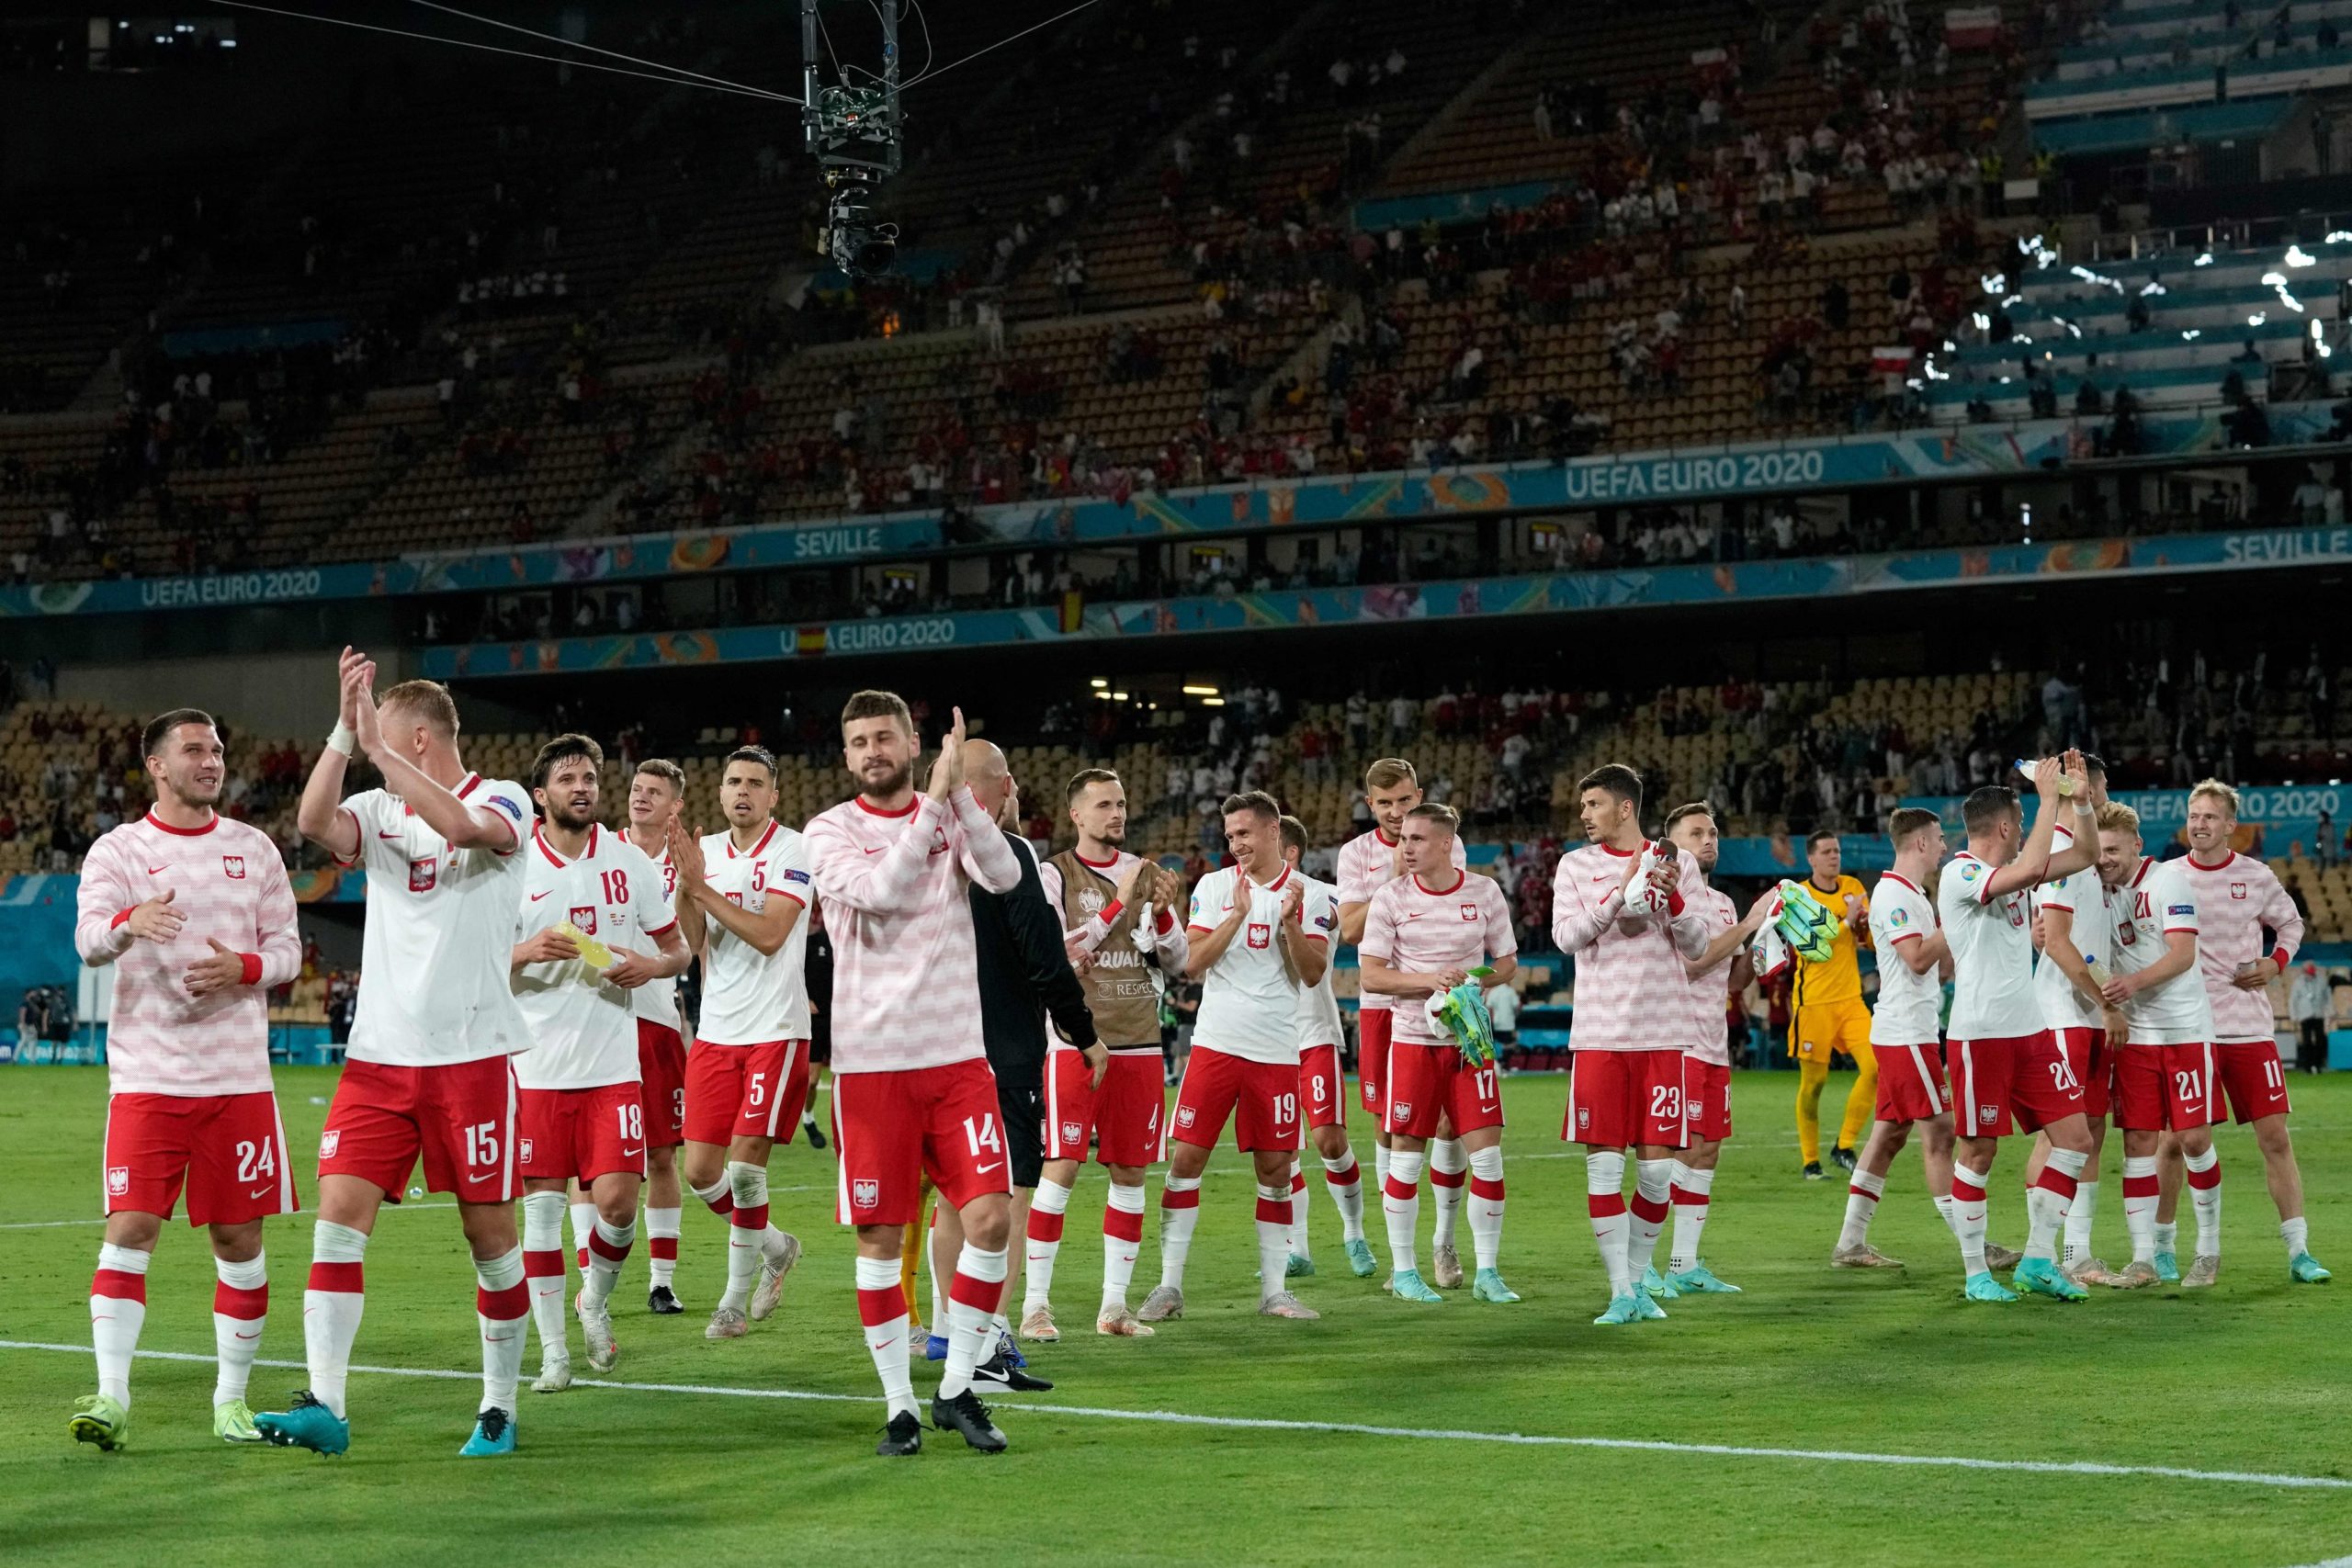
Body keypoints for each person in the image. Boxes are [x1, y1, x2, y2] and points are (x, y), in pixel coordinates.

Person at [266, 655, 537, 1457]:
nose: (370, 747)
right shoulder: (381, 810)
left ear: (418, 737)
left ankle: (497, 1405)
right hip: (380, 1057)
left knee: (489, 1236)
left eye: (382, 732)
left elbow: (460, 830)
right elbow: (314, 822)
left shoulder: (504, 798)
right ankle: (326, 1403)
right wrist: (343, 734)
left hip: (473, 1058)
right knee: (336, 1226)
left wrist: (378, 754)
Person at [69, 708, 302, 1451]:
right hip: (149, 1079)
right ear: (157, 766)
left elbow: (290, 952)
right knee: (130, 1227)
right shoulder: (120, 849)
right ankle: (111, 1396)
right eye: (194, 750)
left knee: (239, 1240)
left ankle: (231, 1401)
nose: (212, 760)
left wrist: (245, 968)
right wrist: (128, 921)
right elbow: (87, 938)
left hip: (237, 1082)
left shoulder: (254, 848)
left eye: (219, 749)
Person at [804, 692, 1023, 1457]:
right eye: (859, 739)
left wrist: (958, 790)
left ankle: (958, 1386)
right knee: (880, 1234)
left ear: (912, 741)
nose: (872, 749)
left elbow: (1002, 877)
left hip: (958, 1058)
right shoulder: (828, 830)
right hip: (872, 1067)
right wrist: (935, 805)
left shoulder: (951, 810)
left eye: (884, 736)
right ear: (847, 754)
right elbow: (879, 891)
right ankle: (899, 1403)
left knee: (990, 1216)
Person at [510, 734, 688, 1392]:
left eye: (588, 776)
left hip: (614, 1066)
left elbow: (679, 949)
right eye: (566, 778)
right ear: (541, 793)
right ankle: (555, 1352)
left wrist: (653, 964)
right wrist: (525, 951)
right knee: (543, 1213)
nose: (580, 786)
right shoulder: (512, 862)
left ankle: (593, 1297)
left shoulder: (628, 860)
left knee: (616, 1204)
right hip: (536, 1069)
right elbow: (473, 963)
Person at [928, 735, 1094, 1390]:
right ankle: (991, 1339)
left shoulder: (927, 855)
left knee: (950, 1198)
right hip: (1005, 1054)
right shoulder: (1012, 855)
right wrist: (1084, 1033)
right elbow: (1044, 961)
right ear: (1002, 786)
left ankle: (946, 1329)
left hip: (938, 1050)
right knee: (1008, 1200)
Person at [1139, 790, 1326, 1325]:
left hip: (1275, 1052)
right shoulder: (1216, 886)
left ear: (1274, 833)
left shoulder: (1309, 894)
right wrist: (1237, 916)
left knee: (1275, 1169)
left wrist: (1288, 921)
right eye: (1230, 836)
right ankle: (1169, 1285)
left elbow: (1311, 974)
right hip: (1216, 1045)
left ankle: (1275, 1292)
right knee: (1185, 1161)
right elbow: (1192, 963)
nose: (1236, 844)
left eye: (1244, 833)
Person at [1549, 763, 1713, 1325]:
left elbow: (1697, 946)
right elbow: (1566, 937)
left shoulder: (1679, 863)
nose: (1585, 815)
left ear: (1624, 808)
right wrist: (1620, 894)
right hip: (1599, 1035)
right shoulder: (1575, 865)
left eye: (1593, 804)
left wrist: (1675, 902)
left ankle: (1641, 1283)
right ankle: (1621, 1290)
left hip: (1662, 1033)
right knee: (1602, 1170)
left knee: (1657, 1175)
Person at [1935, 755, 2099, 1304]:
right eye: (2022, 821)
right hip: (1981, 1037)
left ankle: (2036, 1259)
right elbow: (2029, 870)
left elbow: (2086, 854)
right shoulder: (1961, 873)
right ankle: (1975, 1273)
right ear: (2005, 827)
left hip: (2031, 1033)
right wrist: (2047, 792)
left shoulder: (2013, 870)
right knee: (1979, 1153)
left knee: (2074, 1141)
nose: (2027, 828)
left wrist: (2077, 802)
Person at [1023, 768, 1181, 1339]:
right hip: (1075, 1040)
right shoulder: (1052, 873)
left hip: (1139, 1039)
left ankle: (1114, 1308)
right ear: (1076, 815)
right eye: (1105, 805)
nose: (1117, 813)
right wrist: (1119, 902)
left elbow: (1179, 959)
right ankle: (1036, 1305)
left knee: (1130, 1171)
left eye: (1121, 803)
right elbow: (1055, 950)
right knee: (1061, 1167)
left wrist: (1161, 913)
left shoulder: (1149, 874)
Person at [664, 747, 813, 1341]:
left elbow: (773, 934)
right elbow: (697, 938)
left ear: (773, 795)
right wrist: (685, 886)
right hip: (717, 1030)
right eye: (733, 781)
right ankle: (777, 1246)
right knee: (701, 1171)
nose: (743, 790)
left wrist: (701, 886)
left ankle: (730, 1300)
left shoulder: (792, 848)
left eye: (755, 782)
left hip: (775, 1029)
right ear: (721, 792)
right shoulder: (710, 855)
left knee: (745, 1171)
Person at [2167, 779, 2329, 1282]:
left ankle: (2299, 1252)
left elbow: (2292, 925)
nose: (2199, 824)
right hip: (2190, 1026)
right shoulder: (2168, 876)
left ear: (2231, 826)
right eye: (2194, 815)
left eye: (2210, 816)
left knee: (2275, 1138)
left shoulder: (2255, 876)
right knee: (2177, 1141)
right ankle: (2167, 1250)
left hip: (2247, 1027)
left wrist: (2276, 962)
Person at [1360, 802, 1518, 1303]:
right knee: (1406, 1164)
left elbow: (1507, 962)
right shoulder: (1390, 898)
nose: (1405, 847)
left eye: (1417, 840)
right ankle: (1406, 1273)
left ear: (1446, 843)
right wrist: (1431, 980)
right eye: (1404, 839)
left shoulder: (1485, 892)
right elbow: (1371, 975)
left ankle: (1488, 1273)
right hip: (1412, 1046)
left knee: (1488, 1161)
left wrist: (1472, 981)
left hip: (1470, 1045)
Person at [1335, 758, 1470, 1286]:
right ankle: (1402, 1258)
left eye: (1406, 801)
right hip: (1381, 1007)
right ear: (1371, 805)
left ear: (1420, 795)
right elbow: (1348, 931)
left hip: (1438, 1006)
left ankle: (1444, 1243)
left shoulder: (1446, 843)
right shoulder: (1355, 854)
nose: (1396, 813)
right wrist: (1391, 883)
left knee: (1446, 1122)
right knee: (1392, 1126)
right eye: (1386, 804)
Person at [1834, 807, 1979, 1269]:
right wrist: (1956, 921)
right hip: (1905, 1034)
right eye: (1937, 839)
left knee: (1889, 1137)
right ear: (1919, 842)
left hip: (1907, 1030)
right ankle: (1974, 1245)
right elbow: (1916, 958)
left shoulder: (1911, 893)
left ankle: (1850, 1244)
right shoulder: (1893, 894)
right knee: (1941, 1131)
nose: (1942, 846)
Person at [2094, 802, 2222, 1288]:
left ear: (2136, 845)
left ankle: (2208, 1250)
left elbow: (2184, 953)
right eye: (2098, 850)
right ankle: (2144, 1257)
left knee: (2193, 1139)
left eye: (2112, 850)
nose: (2104, 859)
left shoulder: (2167, 880)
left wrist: (2130, 984)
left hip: (2185, 1030)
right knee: (2138, 1144)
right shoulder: (2098, 891)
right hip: (2137, 1038)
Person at [1653, 802, 1769, 1298]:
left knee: (1708, 1151)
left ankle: (1684, 1263)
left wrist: (1765, 942)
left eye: (1714, 833)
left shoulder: (1721, 901)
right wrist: (1747, 925)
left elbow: (1732, 977)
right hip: (1679, 1040)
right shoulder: (1667, 894)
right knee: (1678, 1150)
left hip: (1714, 1042)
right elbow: (1693, 966)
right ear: (1673, 842)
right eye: (1697, 833)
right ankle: (1645, 1264)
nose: (1709, 841)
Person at [2020, 755, 2120, 1284]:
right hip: (2063, 1014)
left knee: (2093, 1131)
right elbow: (2056, 943)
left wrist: (2106, 999)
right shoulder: (2061, 852)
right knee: (2059, 1135)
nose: (2103, 792)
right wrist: (2103, 1001)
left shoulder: (2084, 852)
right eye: (2100, 783)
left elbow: (2077, 942)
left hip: (2088, 1014)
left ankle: (2076, 1252)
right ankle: (2040, 1252)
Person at [617, 758, 704, 1313]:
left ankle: (662, 1280)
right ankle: (586, 1281)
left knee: (661, 1158)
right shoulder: (600, 849)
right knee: (592, 1162)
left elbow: (689, 946)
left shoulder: (686, 865)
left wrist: (690, 884)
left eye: (655, 792)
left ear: (674, 805)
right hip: (599, 1018)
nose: (641, 798)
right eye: (635, 789)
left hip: (657, 1022)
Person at [1276, 815, 1374, 1281]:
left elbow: (1341, 917)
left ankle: (1354, 1233)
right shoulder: (1242, 895)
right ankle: (1298, 1248)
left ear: (1290, 852)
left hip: (1313, 1031)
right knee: (1282, 1150)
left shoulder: (1323, 893)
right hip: (1267, 1039)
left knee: (1329, 1141)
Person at [1790, 830, 1874, 1177]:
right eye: (1826, 852)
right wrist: (1846, 922)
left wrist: (1863, 928)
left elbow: (1866, 942)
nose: (1833, 856)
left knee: (1875, 1067)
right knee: (1814, 1084)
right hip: (1815, 1003)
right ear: (1811, 859)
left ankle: (1844, 1145)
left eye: (1836, 851)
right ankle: (1810, 1161)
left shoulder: (1853, 886)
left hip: (1851, 999)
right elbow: (1806, 946)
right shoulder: (1798, 896)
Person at [2290, 960, 2331, 1074]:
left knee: (2320, 1041)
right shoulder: (2298, 983)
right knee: (2307, 1041)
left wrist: (2329, 1012)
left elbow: (2328, 997)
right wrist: (2294, 1015)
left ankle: (2318, 1065)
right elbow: (2293, 1000)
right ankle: (2308, 1066)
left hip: (2318, 1014)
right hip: (2304, 1015)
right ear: (2304, 971)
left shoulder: (2322, 981)